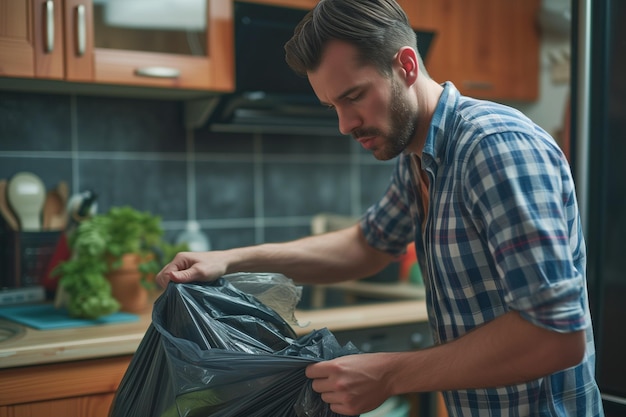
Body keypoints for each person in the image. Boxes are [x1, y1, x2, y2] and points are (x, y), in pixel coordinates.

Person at [156, 0, 604, 415]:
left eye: (353, 96)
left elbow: (555, 336)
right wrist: (229, 260)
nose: (344, 124)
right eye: (332, 105)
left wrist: (389, 373)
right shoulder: (420, 157)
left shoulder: (493, 146)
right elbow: (364, 246)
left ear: (406, 65)